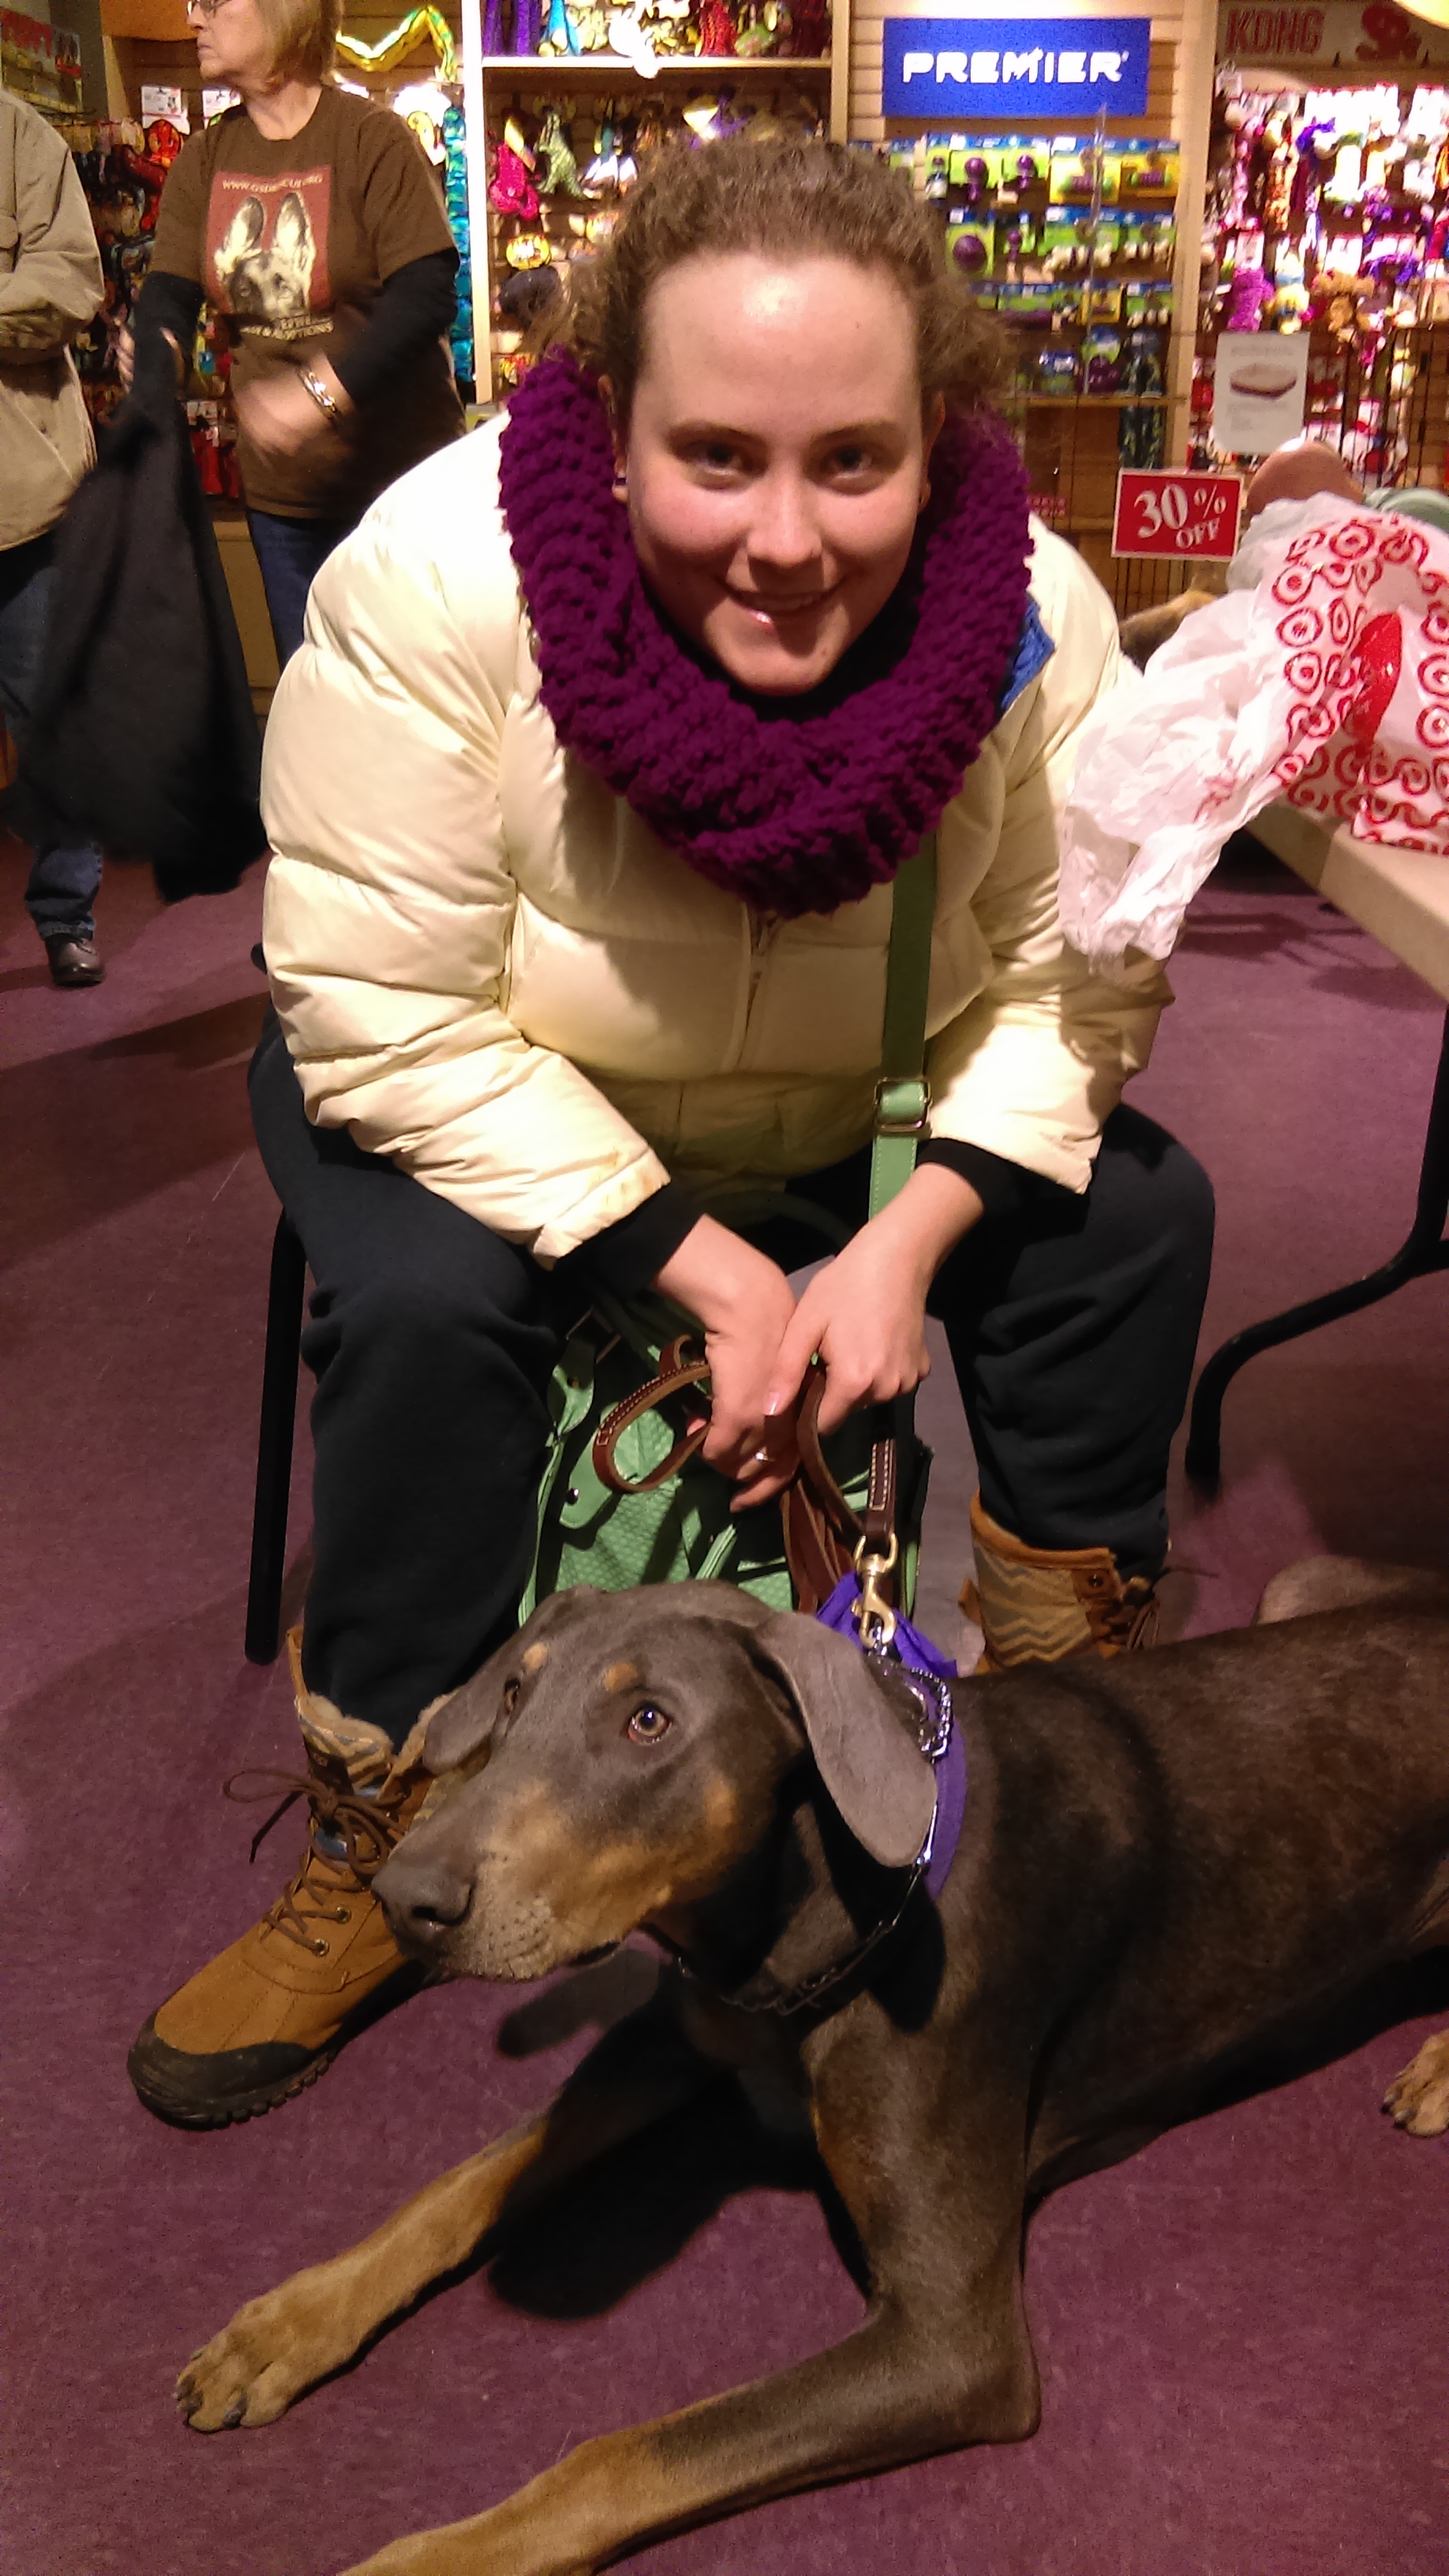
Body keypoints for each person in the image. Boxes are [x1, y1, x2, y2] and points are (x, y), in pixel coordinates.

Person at [129, 139, 1215, 2131]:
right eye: (717, 456)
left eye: (853, 462)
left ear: (937, 437)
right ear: (614, 423)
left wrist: (902, 1244)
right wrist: (706, 1268)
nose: (786, 540)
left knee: (1134, 1219)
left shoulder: (1036, 622)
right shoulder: (436, 580)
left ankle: (1060, 1724)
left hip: (855, 1100)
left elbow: (1080, 983)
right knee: (423, 1301)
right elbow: (381, 1006)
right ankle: (391, 1814)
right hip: (486, 1080)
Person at [129, 0, 464, 668]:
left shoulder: (371, 138)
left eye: (213, 2)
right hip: (285, 506)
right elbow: (170, 293)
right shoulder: (205, 158)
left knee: (424, 695)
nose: (194, 19)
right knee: (314, 696)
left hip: (401, 489)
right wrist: (158, 351)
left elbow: (426, 295)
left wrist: (319, 393)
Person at [1, 84, 107, 987]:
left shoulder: (19, 136)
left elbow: (67, 286)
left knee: (50, 716)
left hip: (23, 493)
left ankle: (66, 915)